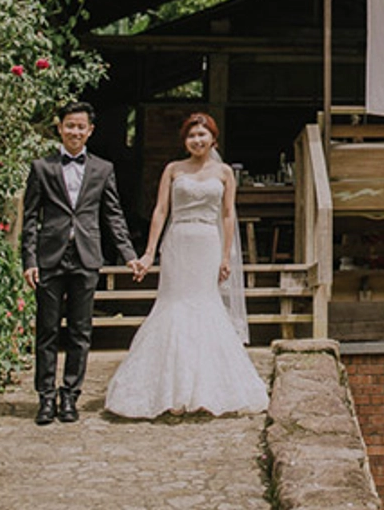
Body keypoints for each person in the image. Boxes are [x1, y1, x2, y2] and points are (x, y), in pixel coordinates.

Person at [104, 111, 269, 419]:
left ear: (213, 138)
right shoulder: (173, 169)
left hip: (207, 242)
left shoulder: (224, 173)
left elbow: (228, 214)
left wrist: (226, 256)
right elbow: (160, 210)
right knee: (174, 304)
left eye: (202, 134)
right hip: (179, 241)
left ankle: (206, 389)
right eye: (191, 135)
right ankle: (170, 390)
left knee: (206, 304)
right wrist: (149, 253)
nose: (197, 140)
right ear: (185, 141)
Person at [22, 101, 141, 425]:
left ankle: (70, 396)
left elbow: (113, 215)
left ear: (90, 131)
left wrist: (129, 255)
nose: (75, 131)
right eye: (70, 125)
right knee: (47, 330)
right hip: (50, 256)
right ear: (60, 128)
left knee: (80, 330)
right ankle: (46, 398)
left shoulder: (103, 169)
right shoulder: (41, 167)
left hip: (87, 256)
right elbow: (30, 218)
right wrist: (29, 260)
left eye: (81, 126)